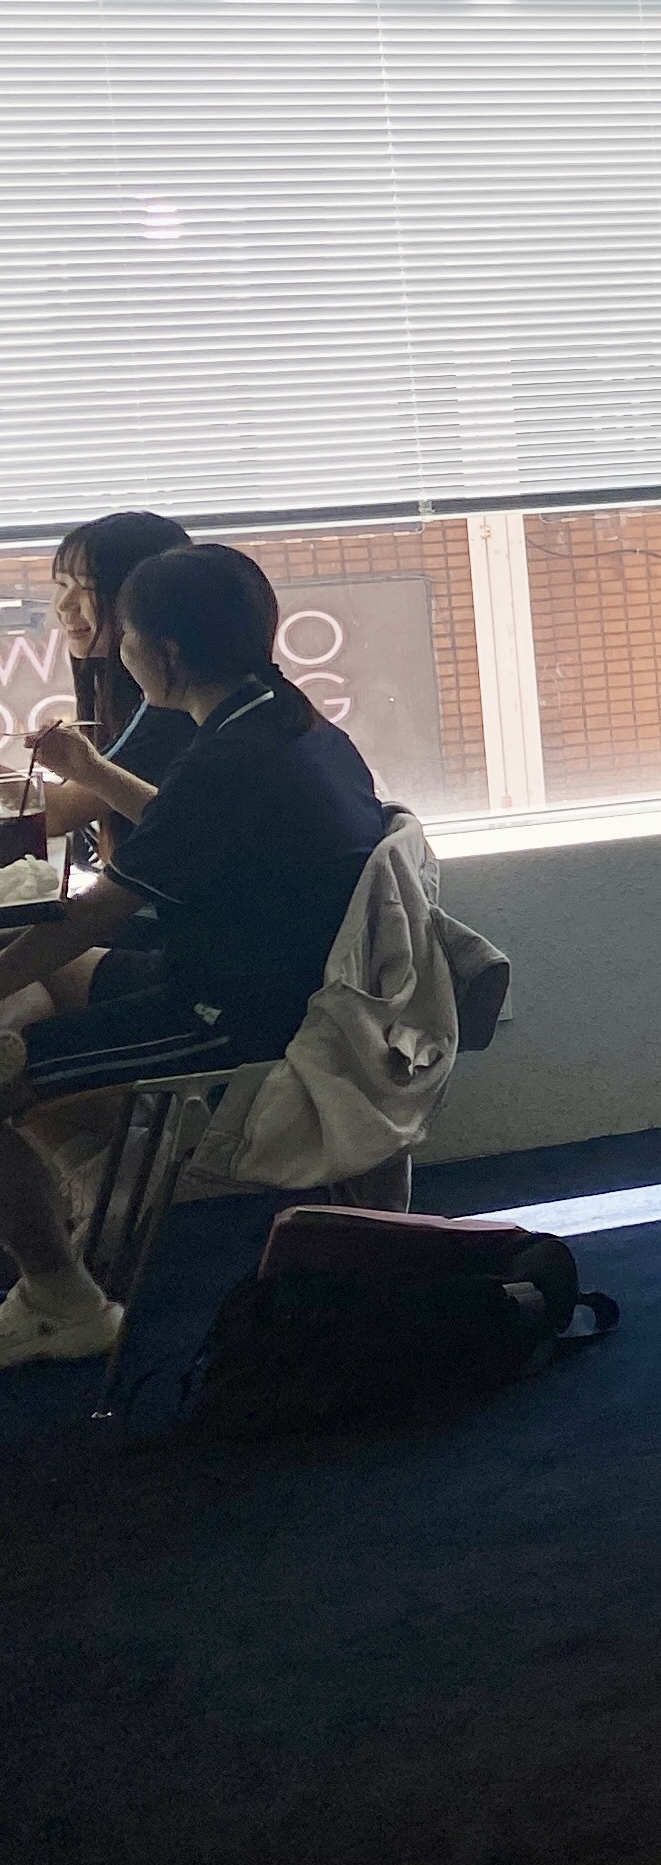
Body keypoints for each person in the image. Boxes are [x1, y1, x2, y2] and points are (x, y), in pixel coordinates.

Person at [0, 545, 389, 1366]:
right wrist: (95, 771)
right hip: (269, 974)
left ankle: (64, 1297)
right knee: (45, 974)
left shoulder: (227, 757)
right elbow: (189, 830)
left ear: (165, 653)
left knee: (23, 1008)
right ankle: (94, 1173)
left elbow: (94, 913)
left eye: (125, 635)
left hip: (231, 1013)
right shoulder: (289, 724)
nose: (118, 650)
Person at [12, 511, 197, 863]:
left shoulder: (168, 706)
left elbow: (56, 813)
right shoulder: (130, 692)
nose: (64, 605)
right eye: (61, 585)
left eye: (87, 588)